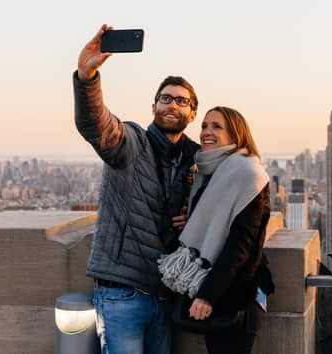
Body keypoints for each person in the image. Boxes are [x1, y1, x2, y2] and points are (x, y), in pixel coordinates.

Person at [73, 24, 200, 354]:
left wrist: (193, 218)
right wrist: (87, 79)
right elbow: (96, 124)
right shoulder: (132, 142)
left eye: (181, 101)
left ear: (192, 112)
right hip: (122, 292)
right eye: (165, 98)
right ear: (154, 106)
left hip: (166, 294)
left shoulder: (197, 159)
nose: (172, 105)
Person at [159, 106, 273, 354]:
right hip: (221, 291)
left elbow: (239, 246)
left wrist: (207, 296)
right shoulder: (212, 173)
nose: (206, 132)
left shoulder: (247, 174)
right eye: (204, 126)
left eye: (217, 127)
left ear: (236, 135)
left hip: (237, 296)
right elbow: (213, 226)